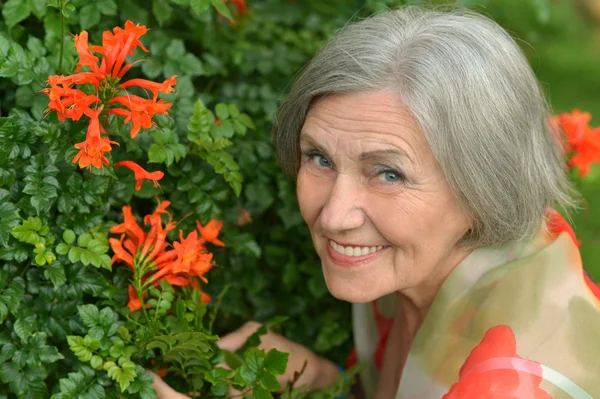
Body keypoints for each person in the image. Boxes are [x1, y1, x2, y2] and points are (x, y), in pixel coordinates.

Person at [153, 6, 600, 398]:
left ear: (485, 188)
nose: (334, 216)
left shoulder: (508, 387)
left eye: (389, 174)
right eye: (320, 158)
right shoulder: (429, 258)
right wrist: (327, 380)